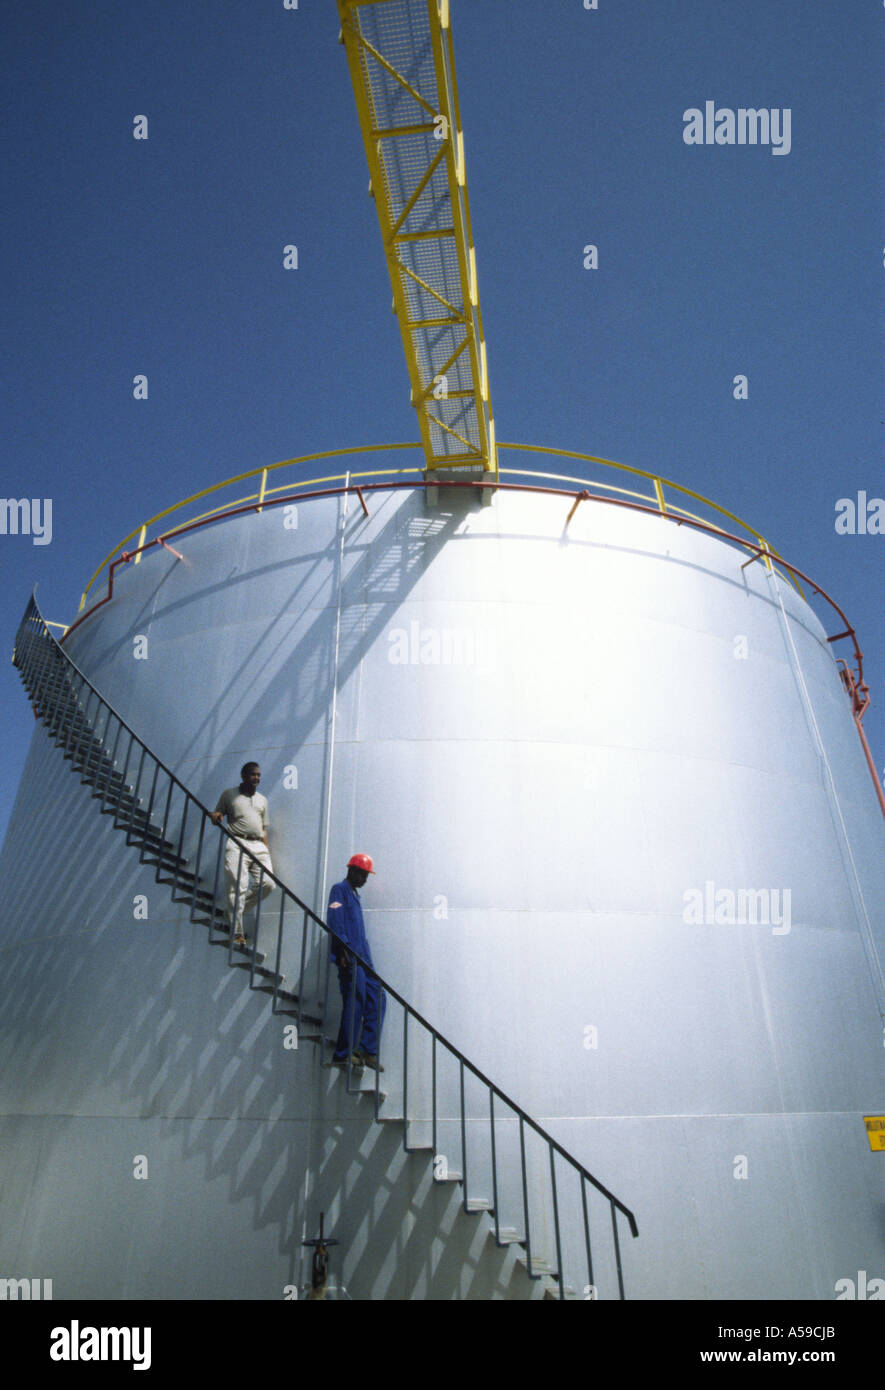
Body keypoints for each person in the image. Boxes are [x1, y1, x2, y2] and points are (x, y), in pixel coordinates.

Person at [328, 854, 385, 1070]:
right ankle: (343, 1053)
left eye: (367, 875)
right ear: (352, 871)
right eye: (363, 874)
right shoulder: (339, 890)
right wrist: (342, 949)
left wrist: (369, 963)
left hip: (363, 958)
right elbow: (335, 920)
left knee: (378, 996)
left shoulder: (355, 895)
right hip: (349, 956)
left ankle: (367, 1050)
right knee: (356, 1000)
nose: (366, 879)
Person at [210, 762, 274, 946]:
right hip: (237, 842)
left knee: (269, 884)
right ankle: (237, 932)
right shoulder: (229, 795)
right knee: (238, 887)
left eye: (259, 775)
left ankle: (233, 911)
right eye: (253, 775)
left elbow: (263, 828)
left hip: (258, 844)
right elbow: (217, 814)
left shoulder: (262, 800)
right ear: (243, 776)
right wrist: (216, 816)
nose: (257, 778)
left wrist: (266, 850)